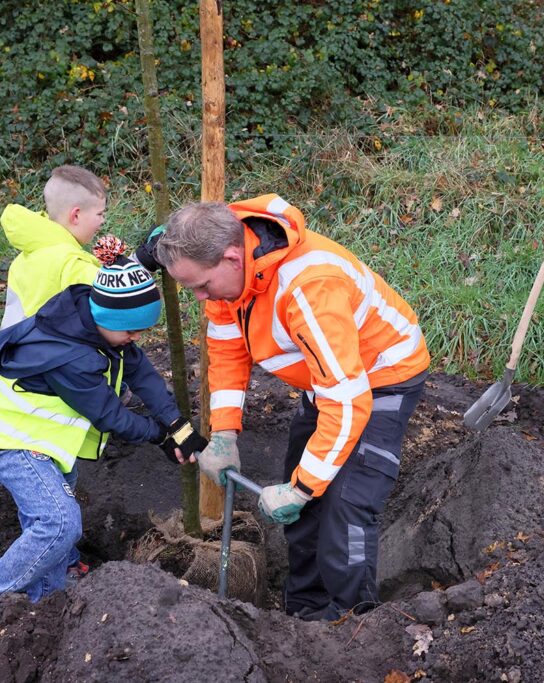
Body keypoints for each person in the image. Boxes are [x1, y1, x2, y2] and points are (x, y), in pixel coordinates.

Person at [156, 195, 431, 621]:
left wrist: (305, 487)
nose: (199, 297)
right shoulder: (233, 275)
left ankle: (352, 619)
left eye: (201, 286)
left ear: (232, 257)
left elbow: (347, 398)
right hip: (327, 379)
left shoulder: (308, 288)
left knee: (346, 503)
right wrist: (225, 431)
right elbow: (227, 348)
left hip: (379, 378)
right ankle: (304, 608)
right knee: (302, 496)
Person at [0, 256, 206, 601]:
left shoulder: (97, 325)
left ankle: (45, 598)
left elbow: (142, 374)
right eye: (131, 331)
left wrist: (176, 423)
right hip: (6, 437)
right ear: (107, 318)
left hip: (46, 442)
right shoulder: (71, 356)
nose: (135, 338)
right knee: (58, 523)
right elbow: (110, 415)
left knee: (50, 527)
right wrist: (159, 436)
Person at [0, 165, 107, 330]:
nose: (103, 220)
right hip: (64, 355)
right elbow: (120, 296)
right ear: (76, 215)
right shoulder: (72, 263)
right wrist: (142, 259)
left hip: (18, 352)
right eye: (99, 214)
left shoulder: (25, 258)